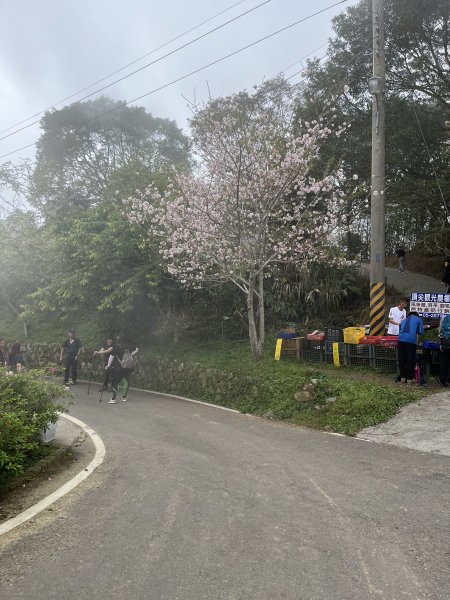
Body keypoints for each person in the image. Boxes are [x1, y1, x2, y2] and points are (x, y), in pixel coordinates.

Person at [397, 311, 424, 384]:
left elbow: (400, 330)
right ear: (417, 315)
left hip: (400, 340)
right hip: (411, 341)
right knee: (410, 359)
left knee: (402, 359)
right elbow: (421, 332)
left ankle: (403, 378)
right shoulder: (418, 319)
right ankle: (409, 379)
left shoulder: (403, 320)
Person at [438, 313, 450, 387]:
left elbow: (440, 332)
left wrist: (441, 344)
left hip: (445, 342)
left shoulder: (444, 318)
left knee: (445, 361)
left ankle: (442, 380)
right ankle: (448, 380)